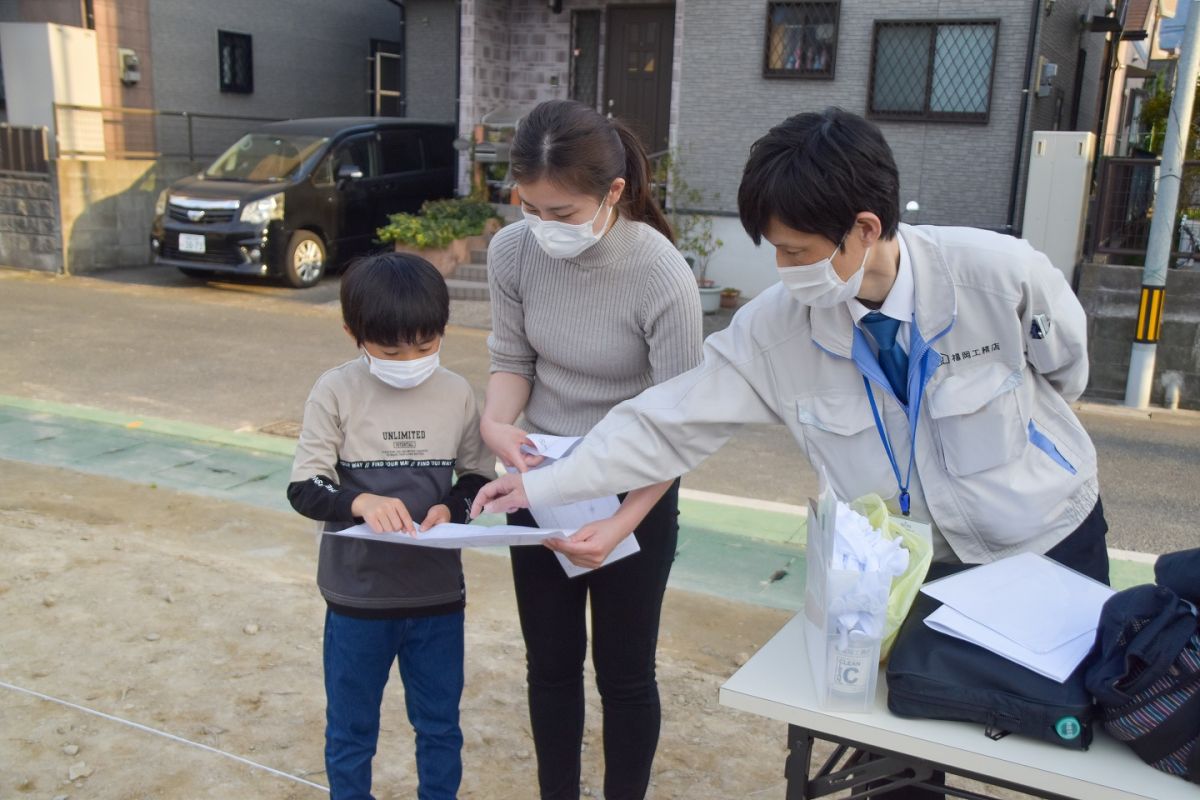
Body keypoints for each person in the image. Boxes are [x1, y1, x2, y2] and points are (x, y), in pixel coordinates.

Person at [473, 107, 1108, 798]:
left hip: (1048, 545)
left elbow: (1066, 371)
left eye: (797, 252)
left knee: (1069, 751)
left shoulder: (998, 274)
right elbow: (669, 420)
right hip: (905, 563)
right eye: (772, 249)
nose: (783, 270)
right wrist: (544, 487)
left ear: (865, 228)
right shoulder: (778, 331)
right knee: (901, 756)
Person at [481, 99, 702, 800]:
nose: (544, 229)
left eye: (564, 214)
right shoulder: (511, 251)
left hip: (635, 490)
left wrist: (623, 522)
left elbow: (679, 425)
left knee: (625, 674)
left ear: (613, 193)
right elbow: (511, 359)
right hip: (542, 481)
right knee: (549, 664)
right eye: (530, 208)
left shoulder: (661, 273)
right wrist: (496, 424)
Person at [287, 252, 494, 800]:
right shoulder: (335, 391)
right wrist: (360, 503)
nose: (411, 359)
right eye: (391, 350)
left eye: (425, 346)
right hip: (358, 598)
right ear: (353, 333)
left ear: (443, 332)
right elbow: (305, 487)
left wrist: (451, 508)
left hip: (436, 595)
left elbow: (476, 477)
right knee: (351, 732)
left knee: (440, 727)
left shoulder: (455, 392)